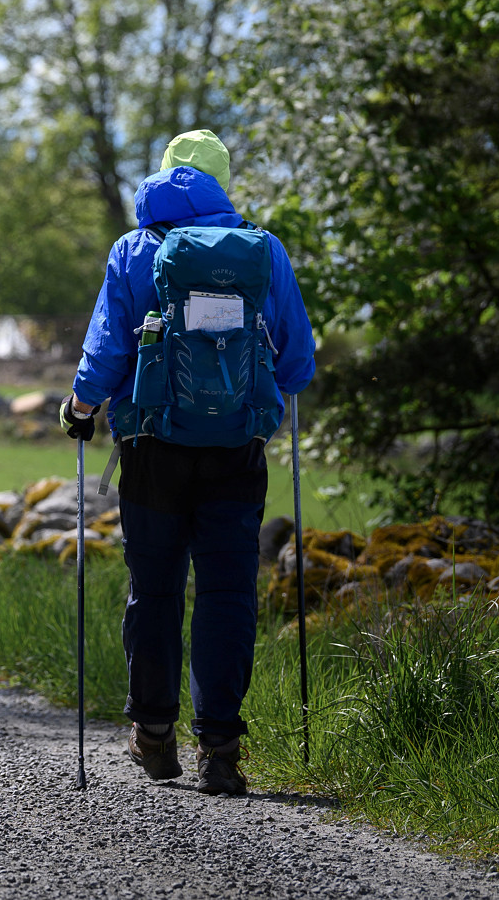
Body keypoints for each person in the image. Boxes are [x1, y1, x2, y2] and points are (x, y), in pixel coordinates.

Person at [61, 129, 314, 796]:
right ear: (223, 183)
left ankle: (152, 732)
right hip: (235, 449)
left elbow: (106, 353)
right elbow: (296, 362)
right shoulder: (262, 251)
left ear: (164, 177)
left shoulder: (133, 249)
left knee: (155, 589)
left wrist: (80, 409)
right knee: (228, 592)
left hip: (150, 448)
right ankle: (221, 749)